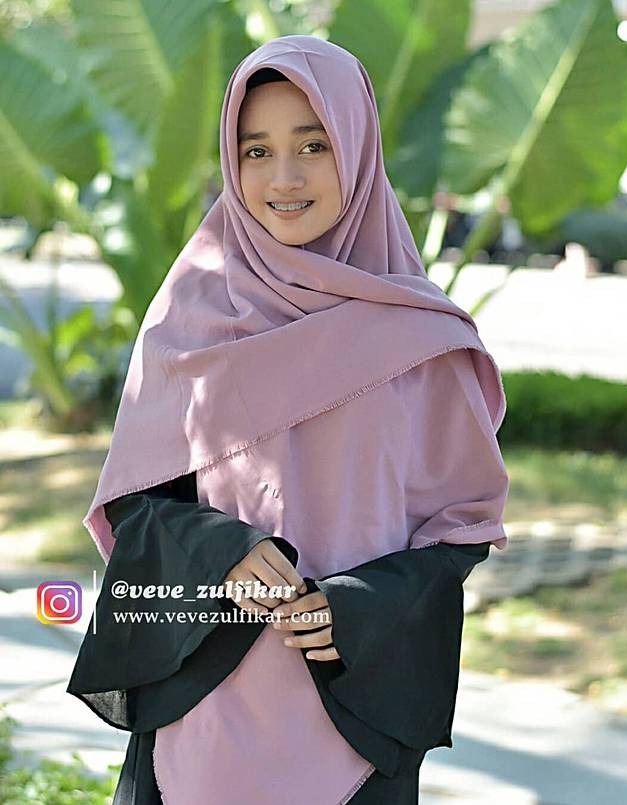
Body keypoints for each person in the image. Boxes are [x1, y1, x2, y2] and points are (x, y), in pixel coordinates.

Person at [67, 35, 510, 804]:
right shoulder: (189, 316)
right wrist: (222, 551)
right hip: (198, 716)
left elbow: (460, 529)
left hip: (352, 721)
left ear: (358, 150)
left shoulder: (422, 340)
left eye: (314, 145)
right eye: (257, 150)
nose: (284, 178)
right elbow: (139, 502)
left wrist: (358, 609)